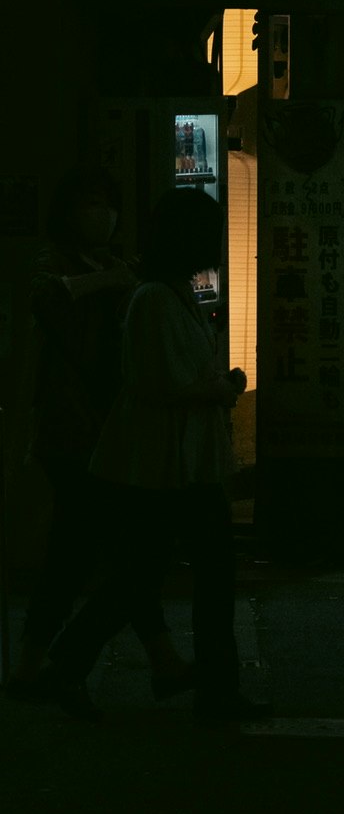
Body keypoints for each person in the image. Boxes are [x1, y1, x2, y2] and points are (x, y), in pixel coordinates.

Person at [41, 190, 268, 722]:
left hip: (172, 462)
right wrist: (220, 389)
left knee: (148, 575)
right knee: (185, 575)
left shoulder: (166, 294)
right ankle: (209, 688)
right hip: (167, 464)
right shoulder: (157, 299)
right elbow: (160, 382)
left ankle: (71, 664)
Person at [7, 171, 186, 701]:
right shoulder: (58, 265)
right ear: (67, 214)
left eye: (107, 204)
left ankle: (38, 666)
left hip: (109, 428)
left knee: (90, 548)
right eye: (89, 204)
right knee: (107, 550)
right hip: (70, 429)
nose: (101, 215)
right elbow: (47, 300)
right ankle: (138, 659)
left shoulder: (117, 264)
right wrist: (110, 281)